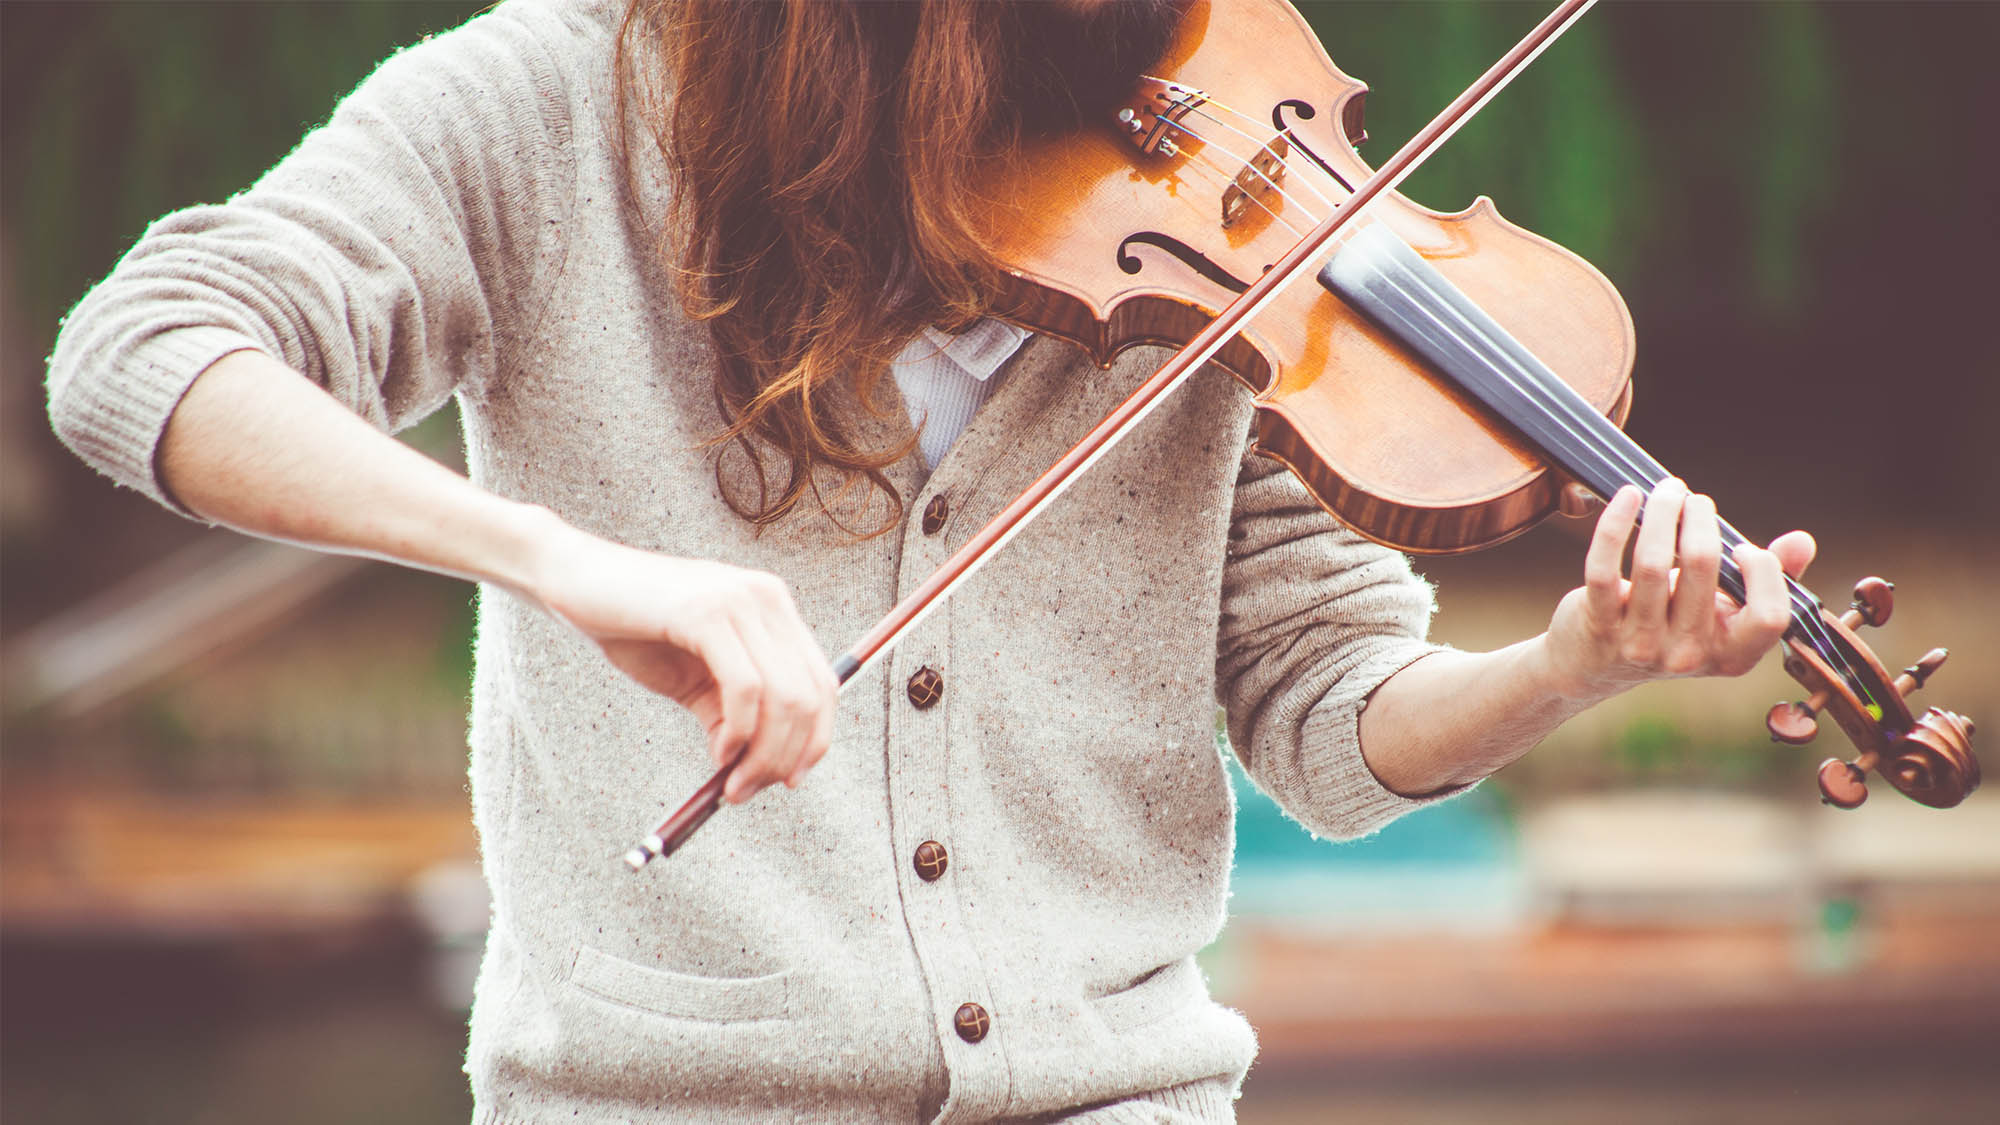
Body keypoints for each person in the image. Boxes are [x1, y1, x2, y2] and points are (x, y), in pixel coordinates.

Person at [45, 0, 1812, 1120]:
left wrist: (1571, 663)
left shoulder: (1214, 215)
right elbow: (143, 351)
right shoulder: (540, 112)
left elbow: (1330, 717)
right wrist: (562, 563)